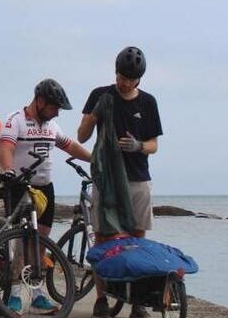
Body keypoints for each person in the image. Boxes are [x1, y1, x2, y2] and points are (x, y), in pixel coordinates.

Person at [78, 47, 163, 318]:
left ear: (138, 79)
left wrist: (138, 146)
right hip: (107, 179)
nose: (122, 82)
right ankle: (101, 299)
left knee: (138, 239)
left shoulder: (148, 103)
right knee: (103, 238)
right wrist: (95, 114)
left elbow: (154, 145)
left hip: (138, 179)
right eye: (119, 76)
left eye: (128, 78)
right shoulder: (100, 94)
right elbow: (81, 136)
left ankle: (137, 303)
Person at [0, 77, 92, 315]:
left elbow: (70, 146)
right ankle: (17, 294)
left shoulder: (52, 127)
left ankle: (38, 293)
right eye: (54, 108)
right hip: (20, 185)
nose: (57, 113)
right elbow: (7, 148)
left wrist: (95, 159)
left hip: (45, 188)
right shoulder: (15, 121)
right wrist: (9, 172)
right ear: (40, 101)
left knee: (40, 242)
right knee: (21, 241)